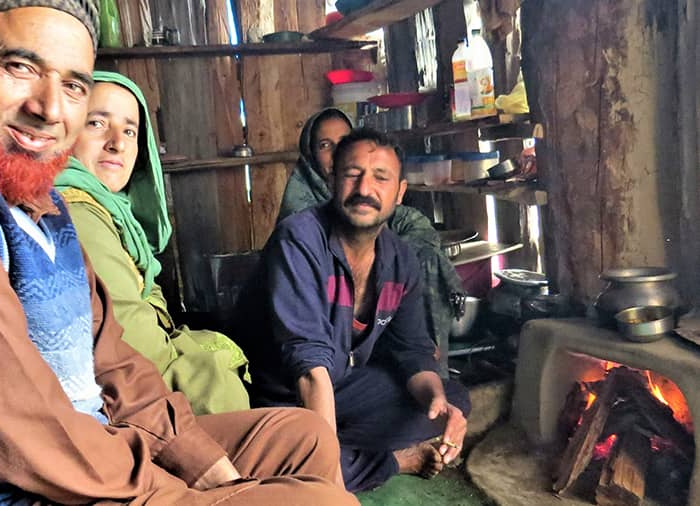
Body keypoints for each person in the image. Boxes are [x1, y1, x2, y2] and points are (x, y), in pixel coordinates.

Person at [0, 2, 357, 504]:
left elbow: (109, 359)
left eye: (72, 86)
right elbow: (21, 431)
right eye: (20, 67)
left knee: (301, 438)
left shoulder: (38, 199)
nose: (48, 108)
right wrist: (174, 490)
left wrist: (199, 460)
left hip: (80, 448)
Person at [232, 128, 471, 492]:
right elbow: (308, 368)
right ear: (332, 181)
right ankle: (390, 461)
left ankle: (330, 451)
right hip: (275, 396)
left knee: (452, 400)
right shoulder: (299, 239)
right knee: (289, 460)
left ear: (399, 192)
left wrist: (435, 400)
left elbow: (412, 352)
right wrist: (325, 478)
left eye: (380, 178)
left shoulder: (399, 259)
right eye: (352, 174)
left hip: (338, 388)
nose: (364, 189)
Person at [55, 71, 250, 416]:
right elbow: (141, 351)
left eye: (130, 130)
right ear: (66, 132)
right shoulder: (79, 215)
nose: (118, 143)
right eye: (97, 123)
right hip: (127, 402)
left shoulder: (111, 213)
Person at [278, 108, 466, 375]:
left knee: (441, 392)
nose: (336, 151)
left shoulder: (369, 195)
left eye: (344, 141)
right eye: (324, 145)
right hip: (317, 353)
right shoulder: (300, 225)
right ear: (310, 153)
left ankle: (424, 364)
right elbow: (305, 345)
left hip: (367, 333)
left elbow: (410, 222)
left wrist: (393, 256)